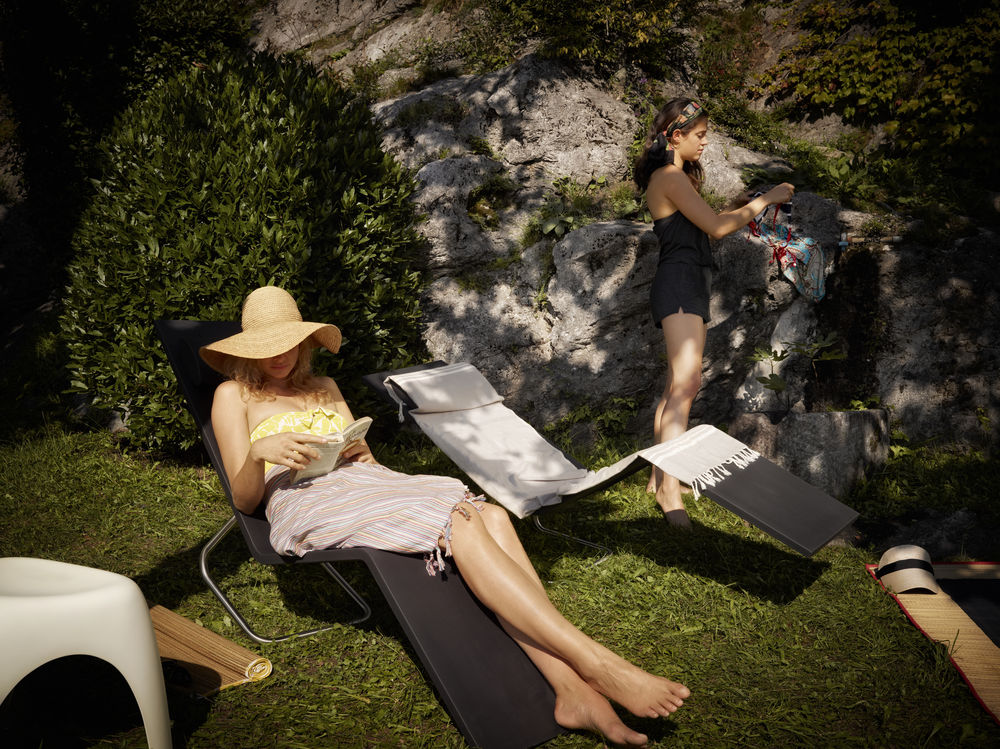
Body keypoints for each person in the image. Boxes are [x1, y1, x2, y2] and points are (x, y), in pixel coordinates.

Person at [202, 285, 690, 747]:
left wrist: (360, 454)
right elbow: (245, 500)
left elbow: (361, 453)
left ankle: (572, 692)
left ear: (304, 341)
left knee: (492, 516)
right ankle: (596, 663)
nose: (280, 354)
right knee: (458, 517)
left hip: (364, 483)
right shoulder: (233, 396)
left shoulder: (324, 386)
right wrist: (259, 451)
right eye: (268, 346)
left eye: (289, 342)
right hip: (304, 498)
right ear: (247, 350)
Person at [634, 99, 795, 527]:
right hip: (680, 285)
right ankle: (669, 491)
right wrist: (766, 200)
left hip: (687, 283)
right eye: (700, 135)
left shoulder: (672, 177)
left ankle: (657, 478)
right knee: (686, 385)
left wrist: (742, 203)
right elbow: (718, 228)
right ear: (676, 136)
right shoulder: (670, 176)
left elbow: (707, 220)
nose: (705, 143)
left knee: (676, 386)